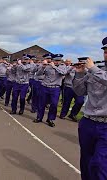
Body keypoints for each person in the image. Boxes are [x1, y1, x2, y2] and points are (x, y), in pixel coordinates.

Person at [73, 37, 107, 180]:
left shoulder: (96, 70)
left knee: (100, 164)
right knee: (86, 161)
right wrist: (80, 73)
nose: (106, 54)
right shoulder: (97, 70)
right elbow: (80, 92)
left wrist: (92, 69)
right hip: (88, 122)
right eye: (105, 51)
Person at [34, 54, 67, 127]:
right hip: (45, 86)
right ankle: (39, 117)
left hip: (55, 88)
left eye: (59, 60)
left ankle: (50, 119)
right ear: (52, 60)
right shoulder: (47, 66)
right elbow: (38, 74)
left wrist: (54, 67)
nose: (57, 62)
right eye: (56, 60)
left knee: (54, 104)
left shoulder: (63, 66)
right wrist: (43, 67)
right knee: (41, 103)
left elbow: (64, 73)